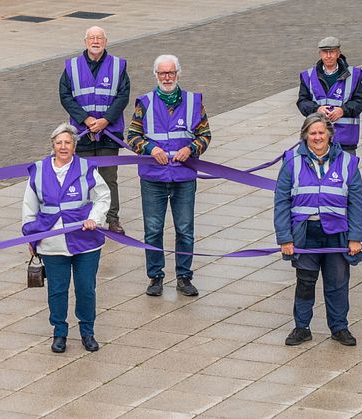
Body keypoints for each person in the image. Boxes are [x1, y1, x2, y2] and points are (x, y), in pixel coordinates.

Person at [275, 113, 362, 347]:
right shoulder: (291, 162)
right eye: (312, 133)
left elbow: (356, 202)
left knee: (337, 283)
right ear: (305, 136)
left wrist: (356, 237)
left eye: (321, 133)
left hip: (337, 232)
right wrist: (285, 237)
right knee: (305, 282)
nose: (317, 137)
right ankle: (302, 327)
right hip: (304, 233)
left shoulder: (347, 162)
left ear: (329, 135)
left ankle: (339, 327)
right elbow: (281, 201)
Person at [126, 54, 211, 297]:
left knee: (185, 228)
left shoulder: (194, 102)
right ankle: (155, 276)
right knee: (153, 229)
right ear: (155, 75)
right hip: (154, 177)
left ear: (178, 74)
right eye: (162, 73)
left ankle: (184, 276)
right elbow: (132, 136)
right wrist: (150, 148)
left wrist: (191, 149)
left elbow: (205, 134)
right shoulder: (145, 103)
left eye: (171, 73)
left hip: (184, 176)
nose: (167, 77)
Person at [22, 123, 110, 353]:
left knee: (85, 288)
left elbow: (102, 196)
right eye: (59, 142)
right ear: (53, 145)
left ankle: (87, 332)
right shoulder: (39, 170)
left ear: (74, 145)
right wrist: (30, 237)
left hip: (85, 241)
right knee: (57, 290)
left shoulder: (86, 168)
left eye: (68, 142)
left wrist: (95, 218)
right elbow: (29, 207)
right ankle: (59, 332)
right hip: (52, 243)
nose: (63, 147)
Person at [59, 26, 130, 234]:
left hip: (109, 133)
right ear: (85, 42)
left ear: (105, 42)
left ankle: (112, 218)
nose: (95, 41)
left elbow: (123, 96)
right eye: (92, 38)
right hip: (82, 134)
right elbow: (65, 96)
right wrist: (86, 119)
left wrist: (106, 120)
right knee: (84, 178)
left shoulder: (118, 66)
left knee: (109, 178)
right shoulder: (72, 66)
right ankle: (85, 217)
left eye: (99, 38)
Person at [297, 37, 362, 155]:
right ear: (320, 54)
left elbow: (360, 101)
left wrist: (342, 110)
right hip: (317, 139)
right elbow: (302, 102)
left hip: (345, 140)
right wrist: (317, 109)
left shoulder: (353, 75)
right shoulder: (308, 76)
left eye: (332, 52)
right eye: (325, 52)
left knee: (346, 172)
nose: (328, 56)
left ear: (338, 53)